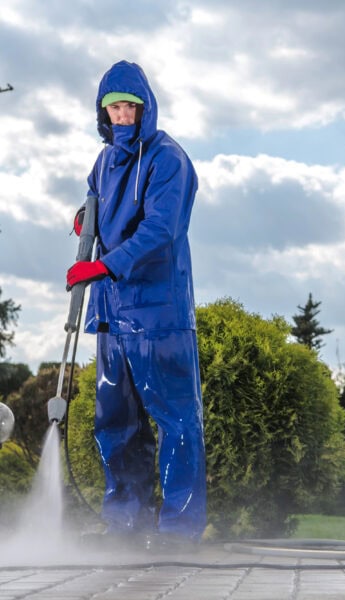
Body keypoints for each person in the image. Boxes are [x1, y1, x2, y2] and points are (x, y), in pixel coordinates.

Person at [67, 60, 206, 548]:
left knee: (175, 422)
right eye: (114, 108)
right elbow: (95, 206)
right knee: (115, 422)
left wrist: (104, 265)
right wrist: (85, 219)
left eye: (130, 107)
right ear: (104, 114)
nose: (123, 115)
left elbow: (160, 230)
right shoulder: (103, 162)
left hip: (157, 314)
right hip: (111, 314)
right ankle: (125, 522)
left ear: (145, 109)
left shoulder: (169, 159)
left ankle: (179, 530)